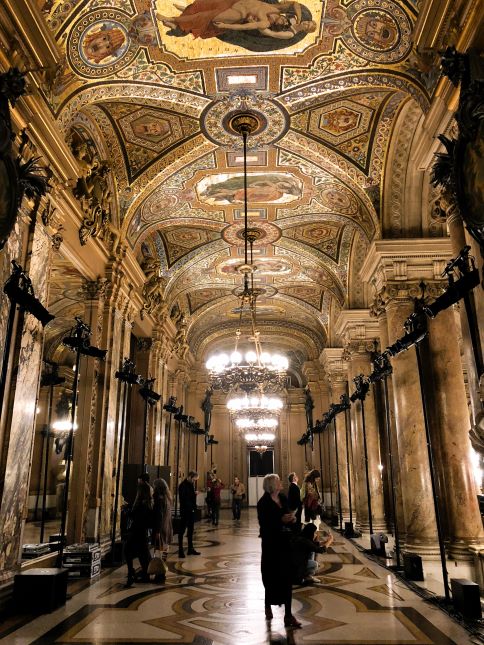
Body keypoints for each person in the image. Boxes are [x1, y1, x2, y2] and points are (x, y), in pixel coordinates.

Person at [257, 473, 301, 629]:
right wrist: (279, 520)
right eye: (277, 481)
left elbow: (287, 513)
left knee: (287, 578)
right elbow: (264, 524)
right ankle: (268, 605)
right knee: (271, 577)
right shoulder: (263, 503)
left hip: (285, 544)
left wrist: (292, 519)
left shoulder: (283, 498)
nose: (280, 482)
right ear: (271, 485)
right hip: (271, 546)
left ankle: (288, 615)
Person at [158, 0, 316, 41]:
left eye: (282, 24)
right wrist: (300, 18)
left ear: (277, 25)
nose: (281, 20)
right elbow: (295, 4)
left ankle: (173, 20)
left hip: (237, 13)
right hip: (234, 2)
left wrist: (226, 25)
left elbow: (246, 28)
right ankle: (181, 18)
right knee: (205, 4)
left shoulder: (265, 22)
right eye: (284, 20)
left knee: (207, 16)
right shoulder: (275, 8)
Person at [124, 480, 153, 587]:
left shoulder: (141, 503)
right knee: (142, 554)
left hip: (137, 531)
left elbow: (136, 516)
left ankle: (132, 573)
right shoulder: (147, 502)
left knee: (128, 551)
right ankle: (140, 574)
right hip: (142, 532)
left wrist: (127, 512)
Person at [152, 478, 173, 581]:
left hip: (161, 529)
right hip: (167, 527)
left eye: (154, 486)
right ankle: (162, 573)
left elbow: (159, 516)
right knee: (164, 551)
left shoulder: (159, 499)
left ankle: (159, 574)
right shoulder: (167, 497)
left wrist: (157, 531)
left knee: (159, 552)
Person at [178, 470, 200, 557]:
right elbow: (184, 498)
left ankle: (190, 549)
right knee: (182, 530)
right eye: (194, 479)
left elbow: (189, 496)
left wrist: (194, 494)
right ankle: (180, 550)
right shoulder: (183, 485)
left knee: (190, 530)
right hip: (185, 511)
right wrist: (193, 494)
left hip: (191, 511)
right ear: (190, 477)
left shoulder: (190, 484)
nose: (194, 481)